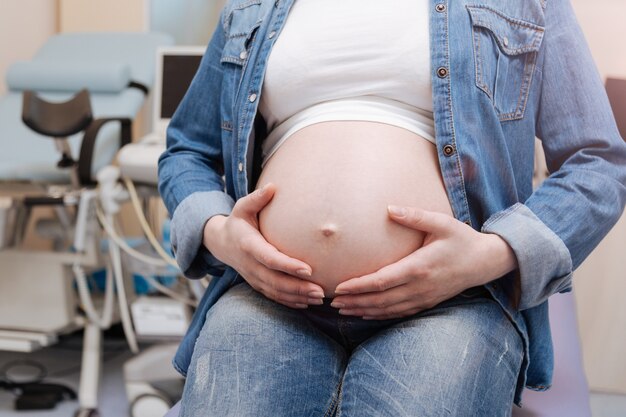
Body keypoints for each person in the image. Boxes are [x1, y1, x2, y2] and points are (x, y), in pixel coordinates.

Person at [158, 0, 626, 415]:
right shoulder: (251, 7)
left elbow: (598, 163)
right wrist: (220, 234)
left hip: (451, 305)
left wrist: (490, 255)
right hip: (269, 301)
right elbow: (186, 150)